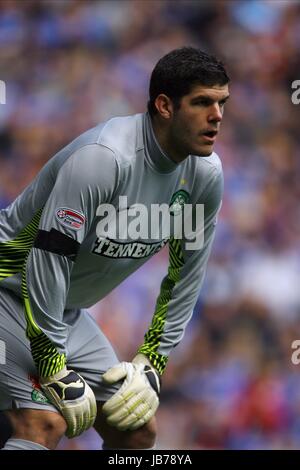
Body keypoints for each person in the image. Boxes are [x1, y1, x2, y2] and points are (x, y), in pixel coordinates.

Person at [0, 47, 230, 450]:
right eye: (202, 103)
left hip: (62, 310)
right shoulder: (104, 159)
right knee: (43, 423)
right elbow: (47, 259)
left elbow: (184, 275)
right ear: (164, 106)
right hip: (8, 288)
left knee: (137, 430)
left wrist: (152, 363)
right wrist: (52, 364)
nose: (217, 116)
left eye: (221, 103)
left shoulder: (205, 177)